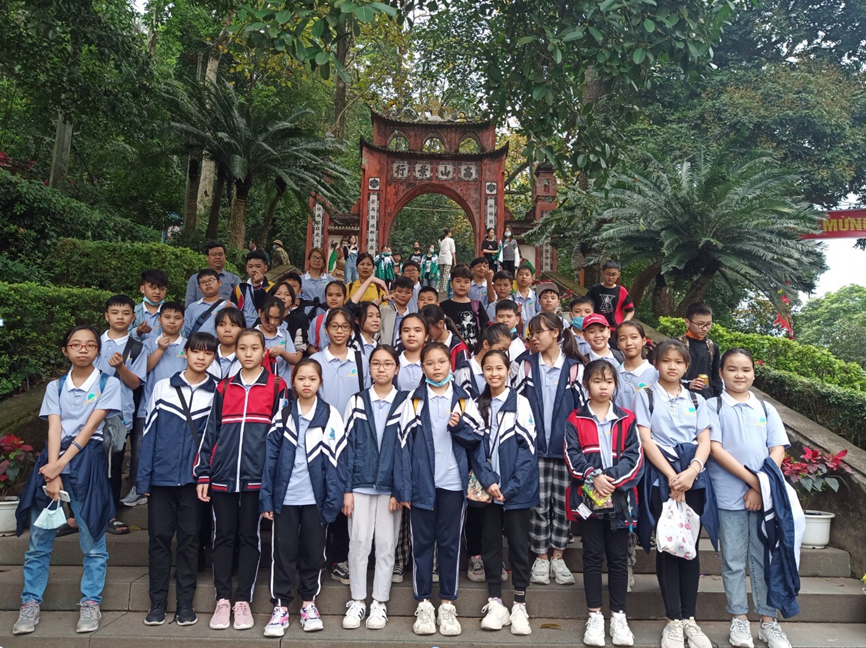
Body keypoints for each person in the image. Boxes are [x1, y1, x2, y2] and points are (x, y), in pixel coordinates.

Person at [12, 326, 121, 636]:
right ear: (65, 350)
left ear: (98, 350)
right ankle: (30, 603)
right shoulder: (55, 386)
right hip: (53, 461)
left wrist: (59, 464)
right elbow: (54, 428)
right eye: (76, 344)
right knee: (38, 542)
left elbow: (89, 429)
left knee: (93, 539)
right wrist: (53, 471)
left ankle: (90, 602)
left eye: (90, 345)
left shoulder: (108, 383)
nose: (83, 349)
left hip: (87, 463)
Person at [194, 329, 288, 632]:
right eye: (243, 348)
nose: (248, 353)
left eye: (254, 348)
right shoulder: (224, 387)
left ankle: (243, 599)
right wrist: (203, 472)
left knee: (249, 536)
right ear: (235, 351)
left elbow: (281, 436)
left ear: (264, 352)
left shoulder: (277, 386)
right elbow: (211, 431)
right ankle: (222, 598)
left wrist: (274, 478)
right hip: (222, 475)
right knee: (223, 536)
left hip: (257, 477)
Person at [394, 342, 490, 637]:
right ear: (422, 368)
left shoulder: (463, 400)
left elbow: (478, 438)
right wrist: (404, 489)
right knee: (422, 545)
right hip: (422, 486)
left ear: (450, 364)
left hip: (453, 485)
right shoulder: (413, 401)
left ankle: (447, 605)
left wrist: (458, 427)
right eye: (430, 363)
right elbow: (402, 446)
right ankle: (424, 604)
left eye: (441, 362)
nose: (436, 367)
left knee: (450, 545)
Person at [708, 348, 793, 648]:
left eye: (745, 369)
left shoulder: (766, 409)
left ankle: (769, 622)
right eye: (732, 369)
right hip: (727, 497)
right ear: (721, 373)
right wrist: (753, 482)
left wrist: (760, 487)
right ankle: (739, 618)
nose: (739, 375)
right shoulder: (713, 405)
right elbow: (715, 449)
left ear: (754, 374)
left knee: (763, 559)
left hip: (764, 500)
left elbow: (777, 449)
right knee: (732, 560)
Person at [633, 339, 715, 648]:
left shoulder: (697, 400)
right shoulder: (645, 395)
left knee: (690, 546)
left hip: (693, 479)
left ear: (686, 366)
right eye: (666, 360)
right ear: (655, 363)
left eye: (679, 362)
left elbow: (704, 440)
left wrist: (692, 472)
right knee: (668, 545)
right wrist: (672, 477)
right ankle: (673, 620)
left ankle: (690, 619)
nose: (672, 366)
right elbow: (645, 439)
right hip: (661, 478)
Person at [260, 358, 346, 636]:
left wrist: (334, 500)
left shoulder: (330, 415)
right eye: (301, 378)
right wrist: (267, 498)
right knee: (283, 553)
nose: (306, 384)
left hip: (315, 501)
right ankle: (281, 607)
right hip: (285, 498)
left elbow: (338, 461)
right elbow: (270, 460)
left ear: (320, 382)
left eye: (312, 379)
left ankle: (309, 603)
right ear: (293, 382)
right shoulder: (284, 414)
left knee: (313, 553)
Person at [138, 332, 217, 627]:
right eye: (196, 351)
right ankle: (157, 603)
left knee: (189, 542)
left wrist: (206, 475)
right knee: (158, 540)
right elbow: (148, 434)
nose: (201, 357)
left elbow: (214, 442)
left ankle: (185, 604)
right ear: (185, 353)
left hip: (194, 482)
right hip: (161, 479)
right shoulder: (163, 387)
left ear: (213, 357)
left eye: (207, 353)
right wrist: (144, 479)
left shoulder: (217, 392)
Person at [564, 360, 644, 648]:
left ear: (615, 385)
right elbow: (572, 456)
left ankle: (619, 616)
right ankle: (595, 616)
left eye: (609, 381)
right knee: (592, 556)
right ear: (586, 384)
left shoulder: (627, 419)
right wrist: (593, 476)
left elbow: (635, 457)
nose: (603, 386)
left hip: (620, 500)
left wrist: (609, 479)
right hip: (589, 500)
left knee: (619, 558)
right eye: (597, 381)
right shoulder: (575, 419)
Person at [515, 312, 586, 587]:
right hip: (535, 450)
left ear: (556, 332)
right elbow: (516, 403)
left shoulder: (574, 369)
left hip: (566, 451)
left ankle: (558, 556)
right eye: (531, 333)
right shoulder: (525, 366)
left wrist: (578, 450)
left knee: (564, 507)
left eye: (539, 332)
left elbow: (583, 412)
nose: (533, 337)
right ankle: (541, 557)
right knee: (539, 506)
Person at [341, 346, 409, 630]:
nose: (381, 368)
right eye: (376, 364)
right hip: (359, 485)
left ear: (396, 369)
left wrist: (399, 490)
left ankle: (379, 602)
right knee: (358, 543)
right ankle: (357, 600)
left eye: (387, 364)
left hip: (390, 489)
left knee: (385, 545)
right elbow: (345, 447)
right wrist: (346, 489)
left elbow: (407, 450)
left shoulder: (405, 402)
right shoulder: (357, 401)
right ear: (369, 368)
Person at [470, 349, 537, 635]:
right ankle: (495, 601)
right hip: (489, 491)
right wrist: (489, 482)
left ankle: (520, 604)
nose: (494, 373)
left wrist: (509, 488)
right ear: (483, 372)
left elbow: (528, 450)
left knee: (519, 546)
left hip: (515, 493)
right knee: (490, 545)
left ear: (508, 371)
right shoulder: (477, 404)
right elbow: (474, 449)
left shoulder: (520, 403)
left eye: (499, 368)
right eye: (489, 369)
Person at [310, 307, 371, 584]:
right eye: (334, 326)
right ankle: (318, 557)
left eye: (344, 327)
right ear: (326, 330)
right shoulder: (315, 361)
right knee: (322, 495)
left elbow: (366, 396)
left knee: (345, 497)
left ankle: (340, 559)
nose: (339, 331)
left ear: (351, 330)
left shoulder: (361, 359)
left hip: (351, 439)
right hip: (320, 439)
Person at [122, 301, 187, 509]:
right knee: (141, 448)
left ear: (183, 321)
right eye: (167, 317)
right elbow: (145, 369)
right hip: (149, 405)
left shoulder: (188, 345)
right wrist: (160, 349)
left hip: (180, 408)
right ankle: (139, 488)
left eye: (177, 318)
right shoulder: (149, 343)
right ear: (159, 320)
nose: (172, 322)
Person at [96, 295, 147, 536]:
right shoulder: (93, 342)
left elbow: (135, 383)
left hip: (120, 414)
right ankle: (76, 516)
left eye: (126, 313)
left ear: (133, 317)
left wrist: (120, 367)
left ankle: (110, 515)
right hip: (88, 412)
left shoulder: (137, 348)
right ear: (106, 316)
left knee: (113, 466)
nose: (120, 317)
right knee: (84, 463)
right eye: (115, 312)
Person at [455, 323, 513, 398]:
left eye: (505, 351)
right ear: (486, 344)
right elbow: (461, 400)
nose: (502, 355)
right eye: (500, 350)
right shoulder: (465, 371)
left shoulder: (503, 369)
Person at [586, 260, 635, 349]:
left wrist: (624, 323)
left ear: (618, 274)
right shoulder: (595, 289)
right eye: (608, 274)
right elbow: (586, 305)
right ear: (602, 273)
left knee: (614, 352)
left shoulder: (621, 290)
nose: (610, 277)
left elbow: (631, 310)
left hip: (615, 329)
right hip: (597, 327)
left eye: (613, 274)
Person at [441, 264, 489, 352]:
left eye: (466, 282)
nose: (462, 285)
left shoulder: (477, 305)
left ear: (470, 285)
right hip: (451, 351)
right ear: (451, 284)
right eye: (458, 281)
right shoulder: (443, 306)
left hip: (474, 352)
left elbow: (485, 327)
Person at [680, 303, 722, 399]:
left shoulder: (712, 347)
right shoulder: (677, 345)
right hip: (682, 396)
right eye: (700, 324)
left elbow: (716, 377)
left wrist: (718, 398)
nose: (705, 328)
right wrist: (687, 385)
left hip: (707, 398)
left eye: (709, 324)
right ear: (687, 322)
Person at [615, 321, 658, 412]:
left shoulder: (655, 374)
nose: (629, 343)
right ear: (618, 345)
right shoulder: (613, 374)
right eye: (622, 339)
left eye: (634, 337)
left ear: (644, 340)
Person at [257, 297, 301, 381]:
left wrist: (282, 352)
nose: (272, 322)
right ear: (260, 313)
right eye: (269, 317)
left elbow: (295, 360)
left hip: (283, 384)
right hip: (261, 384)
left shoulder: (285, 334)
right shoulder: (252, 335)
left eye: (277, 318)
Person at [183, 270, 234, 338]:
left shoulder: (229, 306)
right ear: (199, 288)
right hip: (196, 344)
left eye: (210, 280)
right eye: (203, 282)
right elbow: (185, 332)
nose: (207, 284)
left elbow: (235, 329)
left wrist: (230, 313)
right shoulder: (192, 307)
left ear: (219, 282)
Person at [420, 304, 470, 370]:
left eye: (428, 329)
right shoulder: (423, 344)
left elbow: (463, 374)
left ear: (440, 324)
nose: (425, 332)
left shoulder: (458, 347)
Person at [232, 249, 273, 324]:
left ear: (265, 268)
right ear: (246, 268)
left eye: (258, 266)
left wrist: (257, 286)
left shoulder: (273, 288)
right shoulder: (239, 288)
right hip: (241, 326)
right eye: (250, 266)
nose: (254, 270)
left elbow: (265, 308)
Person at [307, 281, 348, 354]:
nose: (334, 298)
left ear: (345, 298)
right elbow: (311, 347)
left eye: (338, 295)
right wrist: (324, 356)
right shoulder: (317, 321)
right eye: (330, 295)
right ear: (325, 297)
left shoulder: (350, 320)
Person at [206, 307, 245, 381]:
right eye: (222, 325)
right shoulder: (204, 355)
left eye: (233, 325)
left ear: (243, 330)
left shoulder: (247, 357)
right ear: (215, 329)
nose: (227, 330)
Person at [130, 269, 167, 343]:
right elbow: (122, 336)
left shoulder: (172, 313)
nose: (157, 292)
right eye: (153, 288)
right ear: (142, 289)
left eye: (162, 289)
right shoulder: (133, 312)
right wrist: (137, 331)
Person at [273, 281, 309, 355]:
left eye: (287, 294)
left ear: (292, 301)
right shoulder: (262, 319)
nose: (282, 297)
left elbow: (300, 350)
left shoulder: (299, 319)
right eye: (278, 294)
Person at [396, 314, 427, 393]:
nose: (411, 335)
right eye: (406, 330)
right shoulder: (393, 364)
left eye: (417, 330)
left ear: (426, 336)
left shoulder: (433, 364)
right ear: (400, 335)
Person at [300, 247, 336, 313]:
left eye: (320, 258)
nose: (317, 260)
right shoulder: (300, 279)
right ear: (309, 260)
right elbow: (296, 300)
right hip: (305, 314)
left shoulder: (330, 279)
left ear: (324, 262)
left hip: (325, 313)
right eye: (314, 257)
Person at [437, 228, 456, 293]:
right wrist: (454, 261)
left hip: (441, 259)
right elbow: (453, 251)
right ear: (448, 233)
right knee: (446, 274)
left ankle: (439, 288)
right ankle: (444, 289)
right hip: (447, 259)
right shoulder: (451, 240)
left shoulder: (440, 240)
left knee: (441, 275)